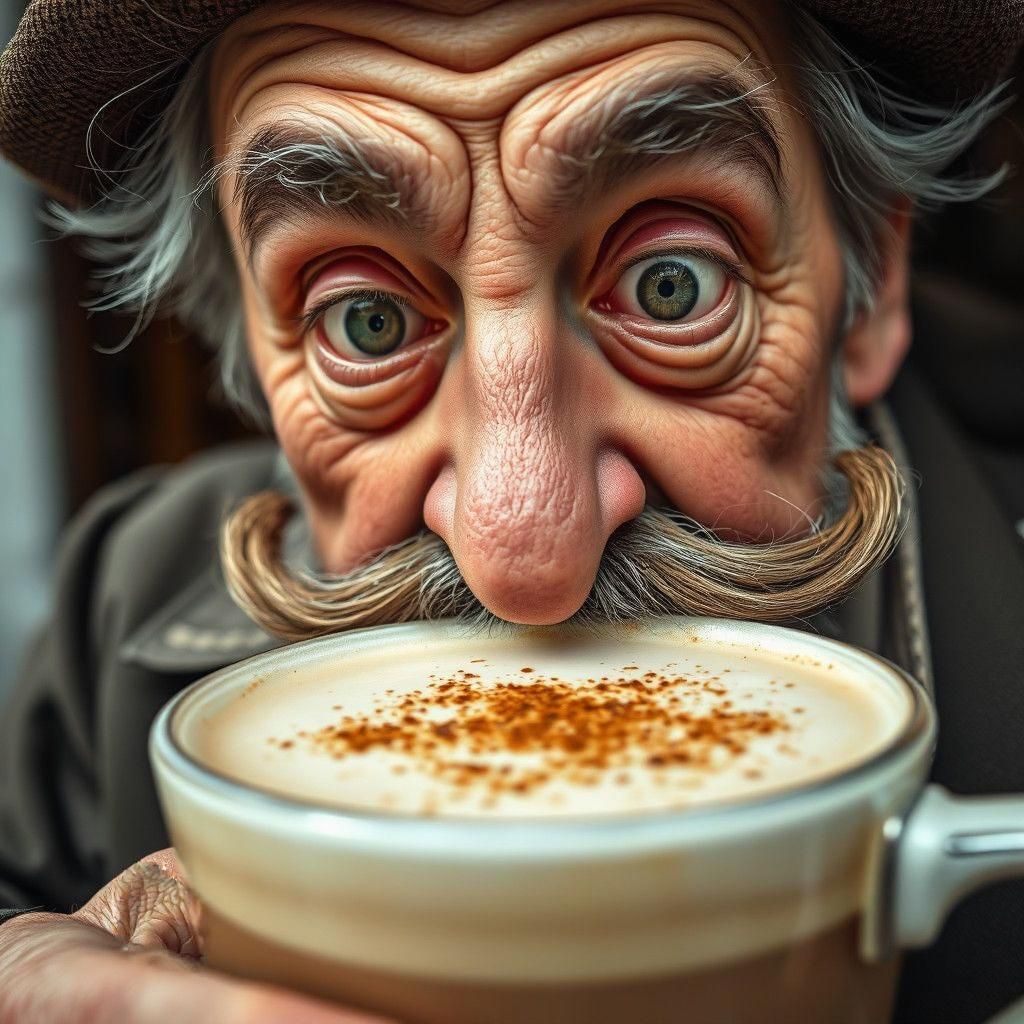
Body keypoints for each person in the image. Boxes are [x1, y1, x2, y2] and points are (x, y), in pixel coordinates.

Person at [0, 1, 1021, 1022]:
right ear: (254, 365)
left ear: (870, 289)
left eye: (673, 286)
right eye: (370, 321)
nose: (525, 558)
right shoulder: (118, 608)